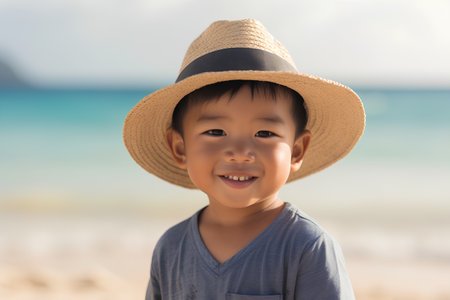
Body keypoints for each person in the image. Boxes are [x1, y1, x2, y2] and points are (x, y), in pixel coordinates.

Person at [123, 19, 365, 300]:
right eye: (215, 132)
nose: (239, 151)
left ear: (297, 150)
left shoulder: (306, 246)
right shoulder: (171, 248)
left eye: (264, 133)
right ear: (180, 148)